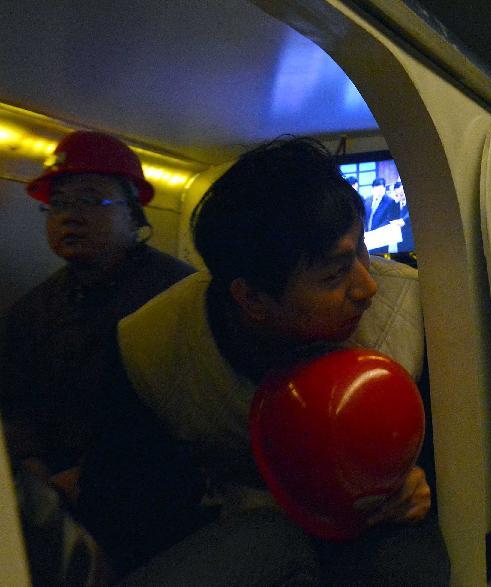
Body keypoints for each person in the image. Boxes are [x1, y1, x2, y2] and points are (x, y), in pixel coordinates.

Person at [86, 136, 449, 584]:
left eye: (361, 252)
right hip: (243, 532)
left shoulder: (416, 309)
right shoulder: (151, 349)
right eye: (335, 273)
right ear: (252, 298)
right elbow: (123, 511)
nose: (367, 287)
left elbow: (460, 458)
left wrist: (418, 481)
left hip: (381, 529)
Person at [0, 130, 197, 582]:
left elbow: (189, 420)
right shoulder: (32, 309)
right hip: (51, 500)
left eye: (91, 200)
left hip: (153, 498)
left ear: (133, 214)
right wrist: (35, 474)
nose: (70, 216)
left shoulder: (177, 295)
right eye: (60, 203)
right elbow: (17, 406)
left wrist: (89, 479)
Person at [365, 177, 403, 255]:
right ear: (373, 189)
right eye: (377, 189)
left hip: (381, 236)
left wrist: (375, 233)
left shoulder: (390, 201)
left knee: (380, 258)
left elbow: (389, 219)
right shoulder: (368, 200)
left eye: (382, 189)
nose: (380, 192)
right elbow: (364, 217)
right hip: (367, 236)